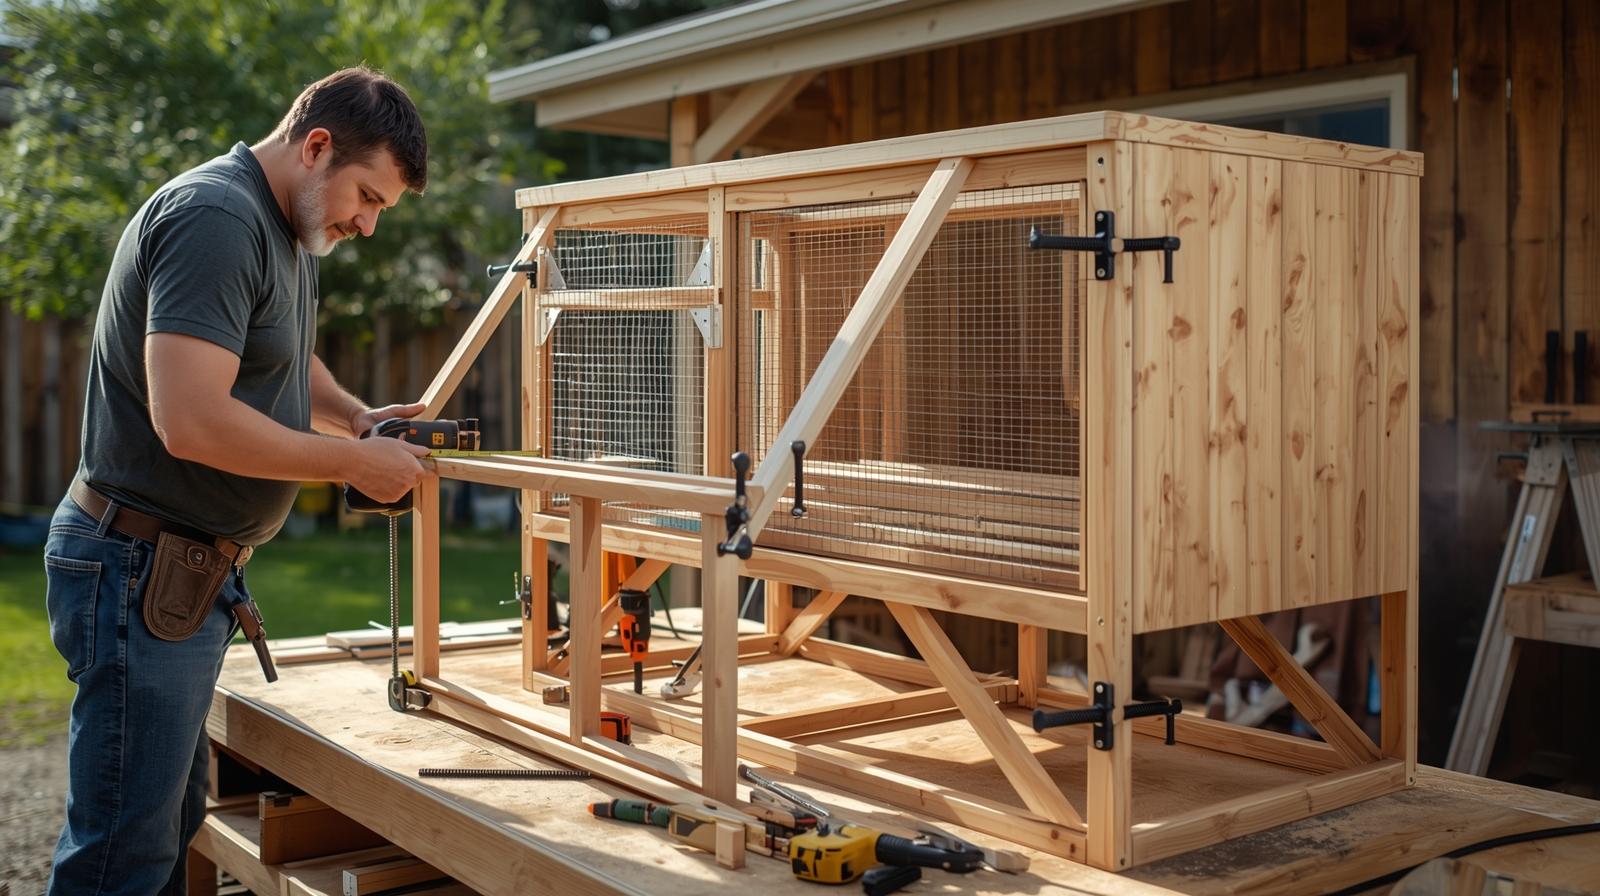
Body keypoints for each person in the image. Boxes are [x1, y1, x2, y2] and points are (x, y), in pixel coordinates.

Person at [43, 66, 434, 895]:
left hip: (177, 575)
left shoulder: (288, 228)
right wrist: (351, 465)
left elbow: (281, 351)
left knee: (166, 829)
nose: (365, 223)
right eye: (366, 196)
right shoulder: (217, 217)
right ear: (317, 146)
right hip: (138, 566)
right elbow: (190, 419)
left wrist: (357, 418)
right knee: (121, 854)